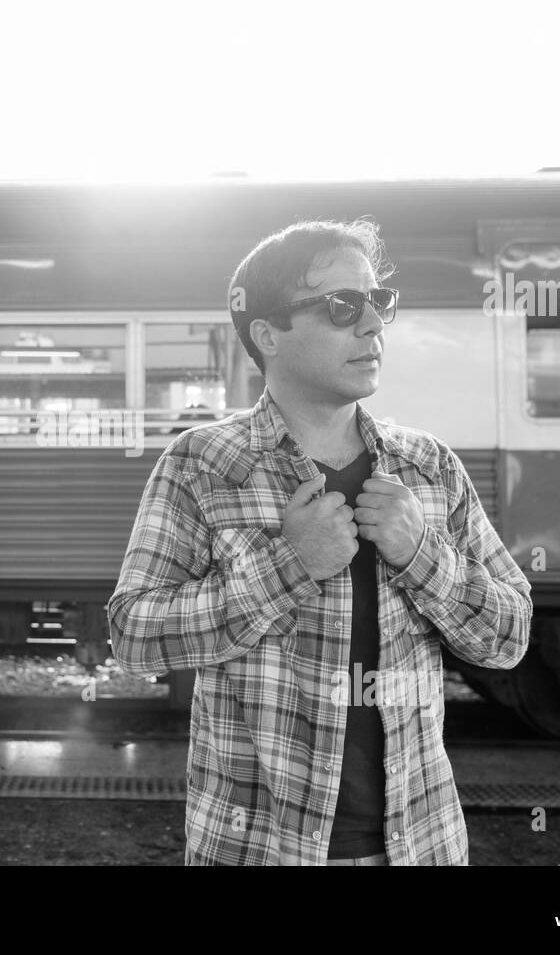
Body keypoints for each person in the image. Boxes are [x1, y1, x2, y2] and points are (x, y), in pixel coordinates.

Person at [107, 219, 532, 865]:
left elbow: (509, 636)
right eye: (342, 305)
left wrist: (422, 554)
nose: (372, 325)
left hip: (419, 847)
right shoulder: (202, 463)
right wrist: (291, 565)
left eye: (377, 301)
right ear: (268, 334)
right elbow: (133, 637)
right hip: (255, 849)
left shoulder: (428, 466)